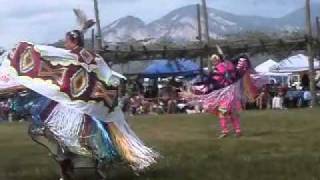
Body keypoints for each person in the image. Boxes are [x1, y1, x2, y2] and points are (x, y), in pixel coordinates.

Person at [181, 54, 265, 138]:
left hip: (226, 94)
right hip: (230, 93)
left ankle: (225, 131)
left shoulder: (220, 68)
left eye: (214, 60)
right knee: (232, 112)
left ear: (218, 60)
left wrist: (203, 87)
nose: (213, 62)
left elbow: (215, 81)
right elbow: (231, 74)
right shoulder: (228, 66)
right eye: (212, 60)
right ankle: (237, 130)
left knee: (223, 112)